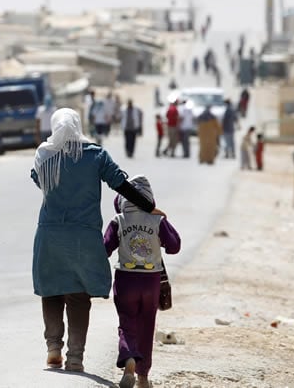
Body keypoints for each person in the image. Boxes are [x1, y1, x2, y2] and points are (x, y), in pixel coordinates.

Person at [30, 108, 162, 372]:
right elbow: (121, 185)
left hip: (50, 234)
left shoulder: (44, 155)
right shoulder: (96, 155)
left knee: (51, 290)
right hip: (85, 235)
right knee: (78, 295)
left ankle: (53, 348)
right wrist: (147, 205)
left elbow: (38, 181)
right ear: (79, 125)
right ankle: (75, 357)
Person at [104, 175, 181, 388]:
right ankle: (143, 377)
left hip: (126, 280)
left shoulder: (118, 221)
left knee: (127, 323)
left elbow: (104, 248)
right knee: (147, 326)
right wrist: (161, 216)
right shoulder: (157, 220)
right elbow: (174, 246)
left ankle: (129, 359)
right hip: (151, 282)